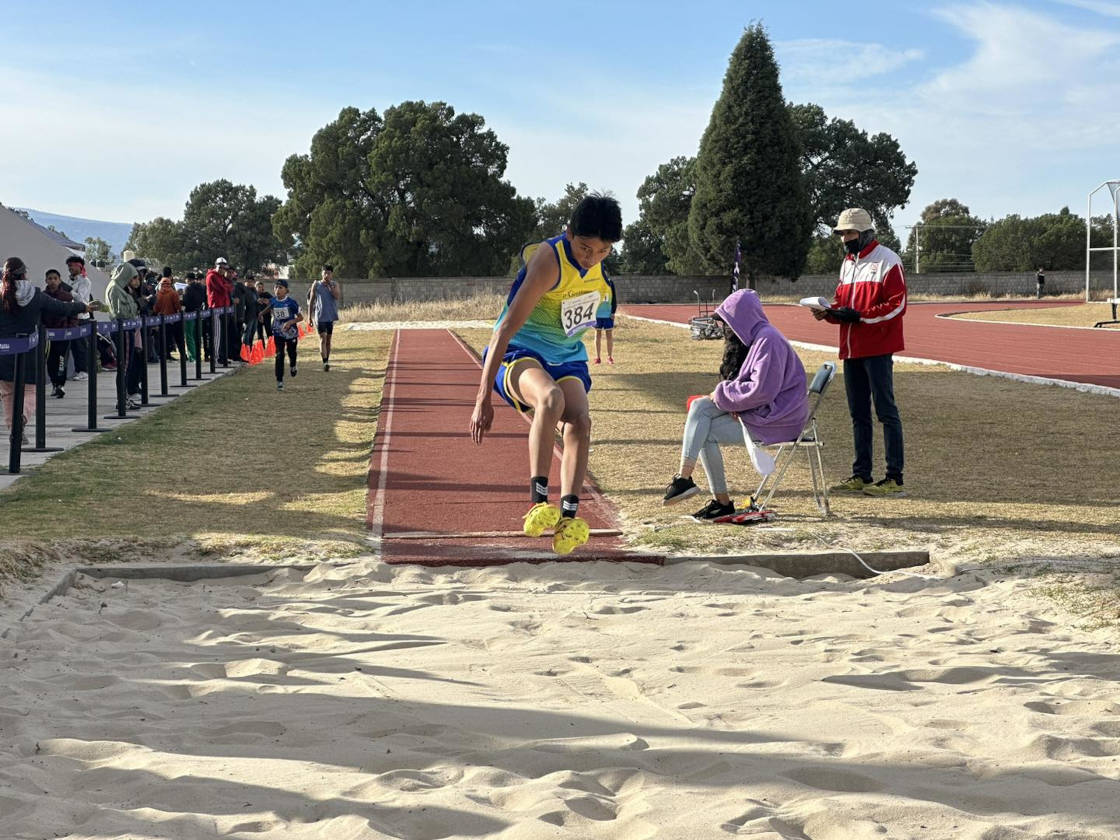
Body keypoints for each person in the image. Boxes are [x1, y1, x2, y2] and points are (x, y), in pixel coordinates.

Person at [470, 193, 622, 556]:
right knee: (551, 399)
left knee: (581, 421)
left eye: (601, 252)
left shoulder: (601, 271)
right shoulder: (548, 260)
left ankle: (569, 516)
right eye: (585, 248)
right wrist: (482, 399)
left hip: (566, 357)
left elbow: (587, 318)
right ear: (569, 233)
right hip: (520, 352)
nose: (591, 258)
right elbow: (504, 328)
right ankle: (538, 502)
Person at [662, 289, 809, 519]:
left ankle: (694, 486)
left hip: (778, 420)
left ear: (742, 318)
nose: (725, 329)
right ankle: (690, 483)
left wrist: (726, 397)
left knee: (704, 424)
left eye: (728, 322)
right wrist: (734, 403)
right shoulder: (759, 338)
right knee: (700, 410)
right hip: (767, 412)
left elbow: (761, 390)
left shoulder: (768, 340)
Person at [813, 207, 907, 497]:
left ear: (866, 233)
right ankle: (861, 474)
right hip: (851, 349)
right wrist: (828, 312)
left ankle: (894, 477)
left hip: (878, 348)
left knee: (886, 411)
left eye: (850, 233)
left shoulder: (888, 261)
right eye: (842, 234)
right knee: (858, 414)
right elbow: (842, 302)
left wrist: (861, 316)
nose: (845, 239)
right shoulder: (847, 262)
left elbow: (898, 305)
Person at [1, 258, 98, 443]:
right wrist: (83, 307)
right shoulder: (35, 294)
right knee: (31, 390)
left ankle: (14, 429)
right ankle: (21, 419)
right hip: (28, 351)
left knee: (7, 393)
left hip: (4, 353)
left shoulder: (2, 294)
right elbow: (61, 308)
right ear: (24, 274)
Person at [105, 261, 144, 408]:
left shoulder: (122, 289)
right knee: (125, 366)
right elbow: (121, 311)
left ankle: (125, 397)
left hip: (128, 328)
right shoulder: (115, 288)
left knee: (127, 366)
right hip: (123, 330)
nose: (136, 281)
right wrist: (137, 305)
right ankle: (122, 399)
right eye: (134, 278)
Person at [259, 279, 302, 390]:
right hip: (278, 332)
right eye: (275, 287)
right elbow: (270, 307)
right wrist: (261, 313)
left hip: (291, 333)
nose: (277, 290)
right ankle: (279, 380)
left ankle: (293, 365)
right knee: (279, 355)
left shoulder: (291, 302)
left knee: (291, 352)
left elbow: (300, 317)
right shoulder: (273, 300)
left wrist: (290, 322)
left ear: (286, 290)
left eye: (280, 288)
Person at [42, 268, 78, 398]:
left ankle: (60, 385)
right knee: (51, 361)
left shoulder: (67, 296)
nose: (52, 281)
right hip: (48, 336)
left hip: (63, 334)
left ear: (60, 280)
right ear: (46, 280)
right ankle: (54, 384)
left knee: (62, 360)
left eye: (55, 278)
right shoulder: (42, 296)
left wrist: (70, 327)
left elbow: (74, 314)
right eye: (50, 278)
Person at [307, 265, 340, 370]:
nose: (326, 275)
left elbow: (337, 296)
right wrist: (309, 317)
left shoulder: (334, 284)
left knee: (329, 340)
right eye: (325, 273)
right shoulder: (316, 284)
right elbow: (311, 301)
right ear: (321, 273)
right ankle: (325, 363)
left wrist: (331, 288)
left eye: (329, 273)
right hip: (319, 316)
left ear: (332, 274)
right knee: (323, 338)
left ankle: (327, 360)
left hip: (330, 316)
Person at [64, 255, 92, 380]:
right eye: (68, 266)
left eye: (71, 266)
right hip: (71, 316)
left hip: (82, 316)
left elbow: (81, 298)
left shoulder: (85, 281)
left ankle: (84, 371)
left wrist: (69, 291)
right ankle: (78, 369)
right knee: (74, 346)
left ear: (79, 266)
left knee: (81, 346)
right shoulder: (70, 280)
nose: (69, 268)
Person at [205, 257, 233, 364]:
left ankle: (221, 356)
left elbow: (229, 287)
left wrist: (227, 286)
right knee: (216, 334)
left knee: (222, 334)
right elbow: (223, 289)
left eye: (224, 268)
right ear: (216, 266)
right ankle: (215, 356)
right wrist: (227, 286)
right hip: (215, 308)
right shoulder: (212, 276)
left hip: (223, 307)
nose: (222, 270)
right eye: (221, 267)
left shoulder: (220, 277)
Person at [152, 268, 184, 361]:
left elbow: (156, 308)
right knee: (178, 338)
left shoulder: (158, 294)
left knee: (164, 338)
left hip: (162, 319)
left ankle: (165, 355)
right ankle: (182, 355)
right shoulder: (173, 293)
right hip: (173, 319)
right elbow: (177, 306)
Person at [182, 272, 207, 362]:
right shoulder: (201, 288)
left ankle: (193, 356)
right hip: (199, 313)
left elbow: (185, 302)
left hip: (189, 314)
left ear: (188, 279)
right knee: (197, 335)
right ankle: (198, 355)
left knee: (189, 336)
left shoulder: (187, 288)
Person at [592, 276, 617, 365]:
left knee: (609, 335)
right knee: (597, 335)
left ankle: (610, 357)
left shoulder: (610, 282)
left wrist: (613, 311)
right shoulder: (594, 282)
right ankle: (597, 357)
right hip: (597, 314)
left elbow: (614, 298)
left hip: (607, 314)